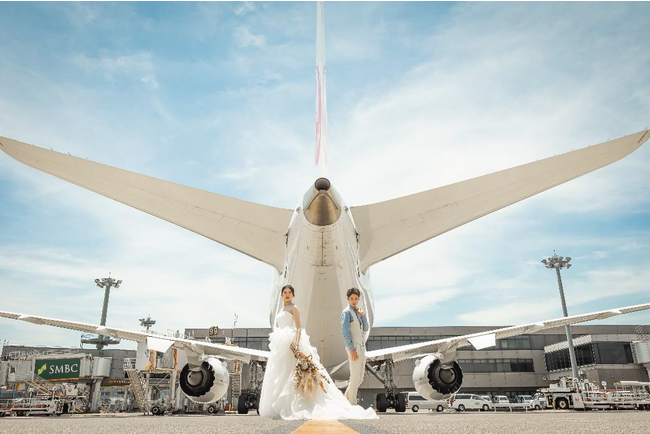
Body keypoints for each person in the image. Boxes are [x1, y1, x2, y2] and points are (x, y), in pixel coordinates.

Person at [259, 284, 378, 420]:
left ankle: (299, 403)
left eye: (289, 292)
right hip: (280, 343)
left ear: (293, 295)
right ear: (281, 295)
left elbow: (298, 328)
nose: (287, 294)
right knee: (281, 373)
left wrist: (296, 344)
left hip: (292, 340)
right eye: (285, 292)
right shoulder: (281, 310)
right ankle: (282, 406)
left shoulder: (294, 308)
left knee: (294, 373)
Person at [341, 287, 369, 405]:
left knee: (360, 378)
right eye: (351, 298)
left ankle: (344, 402)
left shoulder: (358, 312)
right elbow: (345, 332)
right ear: (347, 299)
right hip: (354, 347)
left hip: (362, 347)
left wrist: (363, 315)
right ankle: (351, 403)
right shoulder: (346, 313)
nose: (354, 301)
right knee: (354, 377)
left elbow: (366, 328)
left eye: (356, 298)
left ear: (359, 299)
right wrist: (351, 349)